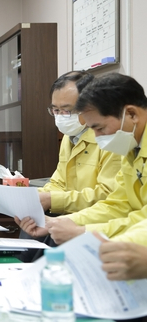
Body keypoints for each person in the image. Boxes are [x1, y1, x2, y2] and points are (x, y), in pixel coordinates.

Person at [18, 73, 147, 246]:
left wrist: (83, 232)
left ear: (131, 114)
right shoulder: (131, 146)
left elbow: (138, 218)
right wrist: (64, 223)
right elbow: (118, 205)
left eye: (100, 128)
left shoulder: (124, 142)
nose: (97, 137)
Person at [37, 71, 121, 214]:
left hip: (97, 221)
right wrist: (34, 197)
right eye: (55, 110)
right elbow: (59, 182)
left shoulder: (111, 138)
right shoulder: (69, 136)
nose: (60, 117)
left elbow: (107, 195)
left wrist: (52, 200)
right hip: (73, 216)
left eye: (66, 110)